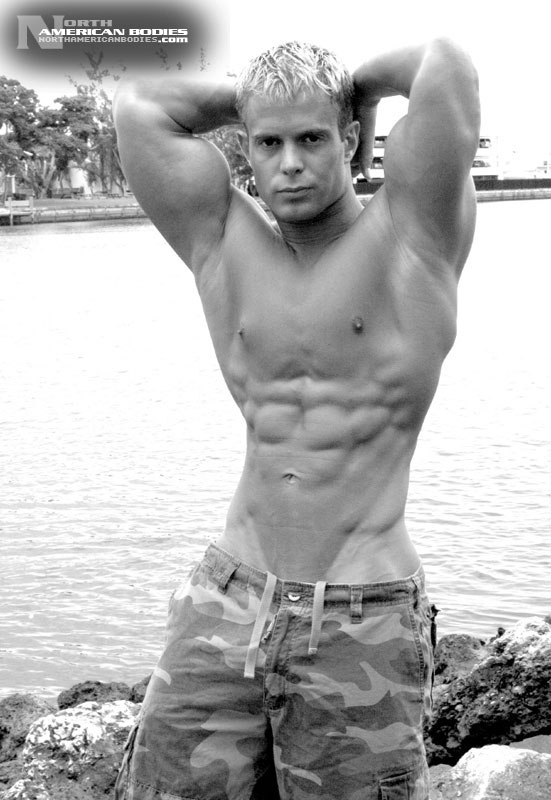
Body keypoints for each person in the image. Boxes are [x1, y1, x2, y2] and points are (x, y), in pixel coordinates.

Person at [113, 37, 480, 800]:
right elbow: (141, 106)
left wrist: (351, 91)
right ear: (246, 148)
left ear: (350, 139)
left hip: (358, 616)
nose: (289, 164)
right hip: (226, 598)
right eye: (268, 143)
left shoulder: (413, 239)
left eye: (312, 138)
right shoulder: (221, 240)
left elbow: (443, 65)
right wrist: (260, 96)